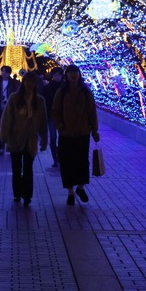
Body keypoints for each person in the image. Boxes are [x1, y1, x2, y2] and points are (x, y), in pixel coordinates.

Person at [52, 65, 99, 205]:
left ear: (79, 74)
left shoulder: (85, 91)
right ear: (67, 75)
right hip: (66, 134)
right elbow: (55, 111)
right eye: (71, 73)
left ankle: (80, 187)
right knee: (67, 162)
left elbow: (92, 111)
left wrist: (94, 130)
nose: (73, 75)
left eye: (75, 73)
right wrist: (61, 126)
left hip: (82, 132)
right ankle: (70, 192)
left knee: (82, 161)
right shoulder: (62, 91)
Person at [0, 73, 47, 207]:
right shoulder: (15, 98)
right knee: (16, 168)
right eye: (27, 82)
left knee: (28, 169)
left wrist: (44, 139)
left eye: (32, 82)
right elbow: (7, 118)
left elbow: (43, 121)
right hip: (16, 138)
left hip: (30, 140)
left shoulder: (40, 101)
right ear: (23, 82)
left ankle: (27, 195)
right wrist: (4, 135)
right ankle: (17, 193)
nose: (29, 84)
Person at [40, 67, 63, 167]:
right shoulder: (48, 88)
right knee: (53, 138)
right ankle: (55, 158)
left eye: (59, 75)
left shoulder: (66, 87)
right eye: (55, 75)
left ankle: (61, 157)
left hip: (64, 117)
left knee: (63, 138)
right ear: (52, 76)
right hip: (51, 116)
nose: (57, 77)